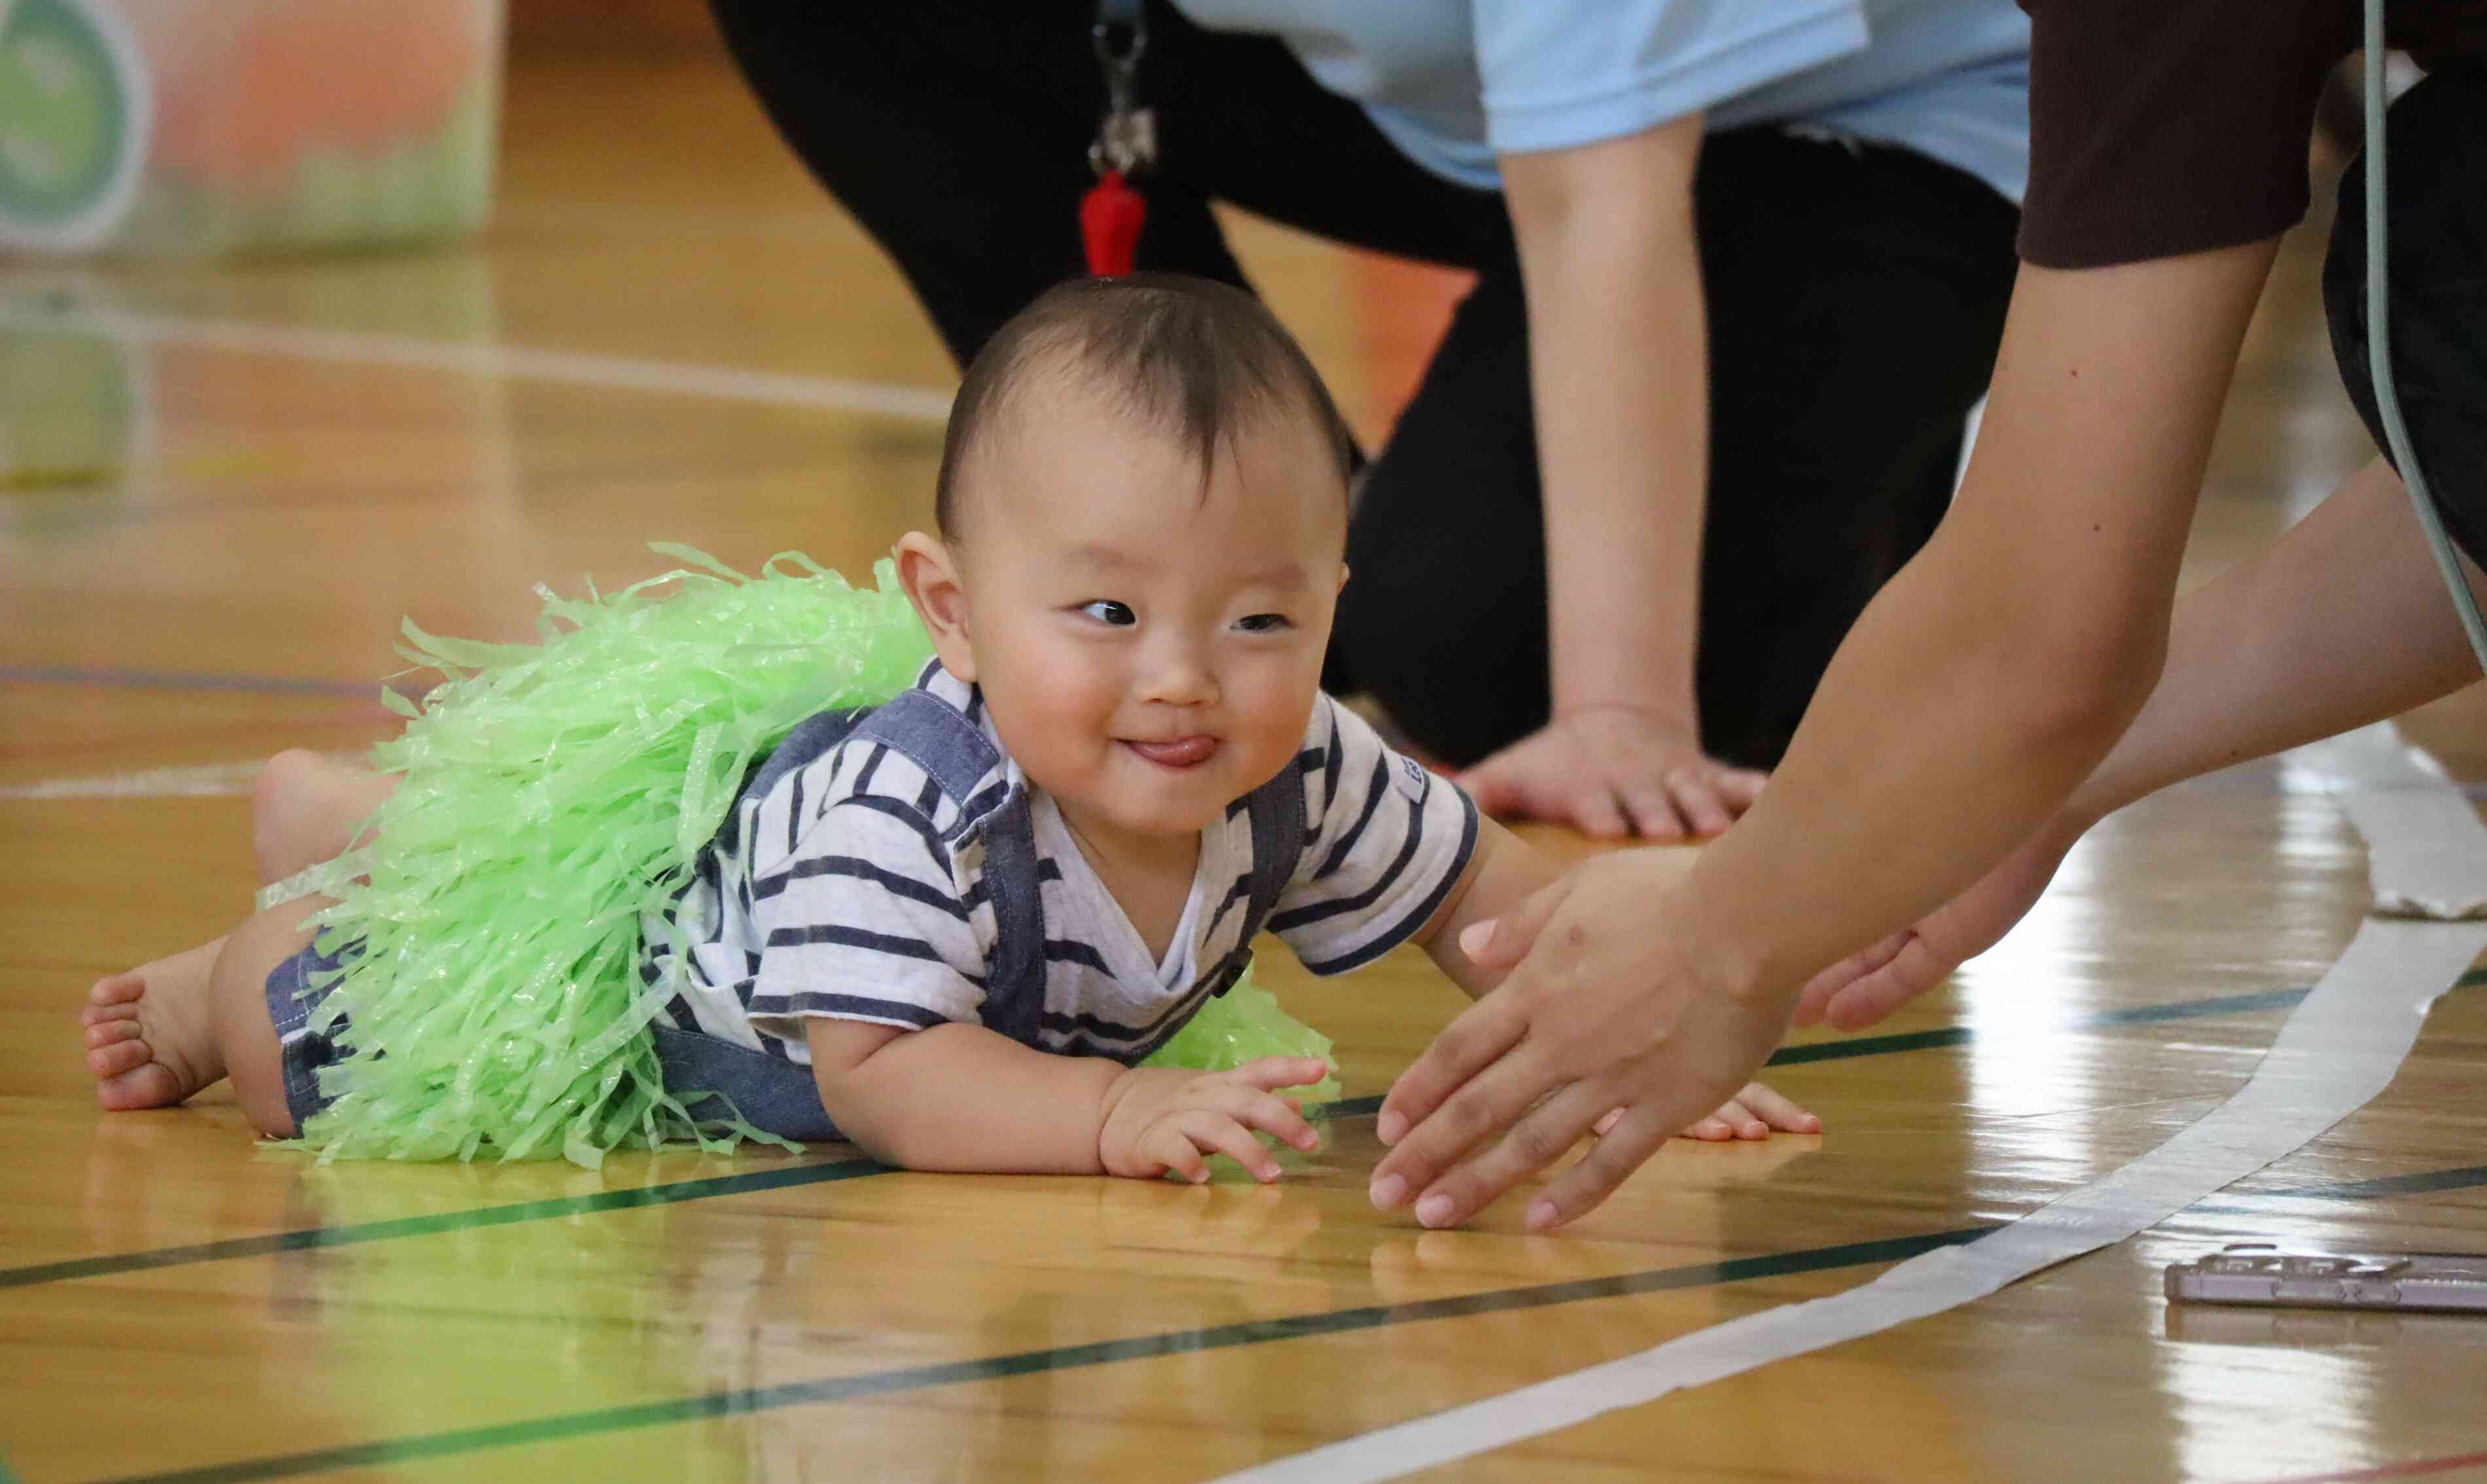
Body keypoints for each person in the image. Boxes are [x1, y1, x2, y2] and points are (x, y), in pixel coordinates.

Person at [1359, 0, 2487, 1235]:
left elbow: (2039, 633)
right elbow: (2470, 519)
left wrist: (1718, 939)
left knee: (2440, 241)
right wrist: (2035, 782)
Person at [77, 275, 1816, 1181]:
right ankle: (243, 956)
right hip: (650, 995)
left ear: (1331, 601)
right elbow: (886, 1078)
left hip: (812, 921)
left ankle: (366, 817)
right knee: (328, 1059)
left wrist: (1631, 1032)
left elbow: (1496, 912)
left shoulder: (1304, 764)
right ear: (953, 608)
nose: (1185, 678)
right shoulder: (909, 811)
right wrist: (1104, 1119)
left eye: (1260, 619)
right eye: (1108, 613)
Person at [684, 0, 2049, 841]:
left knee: (1489, 667)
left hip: (1857, 113)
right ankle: (1230, 561)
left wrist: (1620, 716)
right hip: (1457, 64)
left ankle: (1841, 478)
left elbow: (1598, 204)